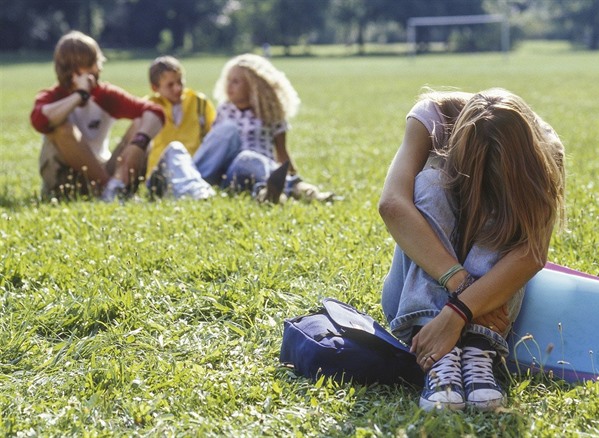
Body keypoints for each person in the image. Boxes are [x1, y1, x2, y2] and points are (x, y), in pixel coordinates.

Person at [379, 88, 565, 411]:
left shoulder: (545, 151)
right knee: (430, 185)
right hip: (415, 300)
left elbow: (532, 254)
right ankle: (435, 344)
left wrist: (460, 312)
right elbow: (391, 205)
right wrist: (459, 285)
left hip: (489, 317)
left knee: (511, 204)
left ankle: (479, 348)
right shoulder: (431, 119)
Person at [30, 30, 165, 201]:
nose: (99, 67)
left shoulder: (105, 95)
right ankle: (110, 189)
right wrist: (79, 95)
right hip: (65, 181)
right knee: (61, 128)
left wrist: (139, 144)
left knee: (141, 124)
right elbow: (40, 121)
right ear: (76, 69)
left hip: (102, 168)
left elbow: (155, 112)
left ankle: (114, 189)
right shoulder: (51, 97)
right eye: (94, 63)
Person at [192, 53, 334, 203]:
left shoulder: (270, 113)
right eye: (228, 80)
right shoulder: (225, 111)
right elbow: (216, 147)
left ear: (253, 85)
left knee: (260, 168)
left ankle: (268, 194)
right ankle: (299, 189)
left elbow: (282, 151)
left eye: (236, 82)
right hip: (234, 171)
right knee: (246, 157)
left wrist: (290, 172)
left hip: (265, 169)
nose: (229, 86)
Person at [144, 55, 217, 200]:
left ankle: (193, 189)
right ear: (155, 88)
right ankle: (195, 192)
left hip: (195, 166)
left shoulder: (200, 103)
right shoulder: (148, 107)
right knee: (175, 148)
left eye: (180, 82)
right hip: (160, 173)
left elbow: (213, 138)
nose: (177, 88)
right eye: (170, 85)